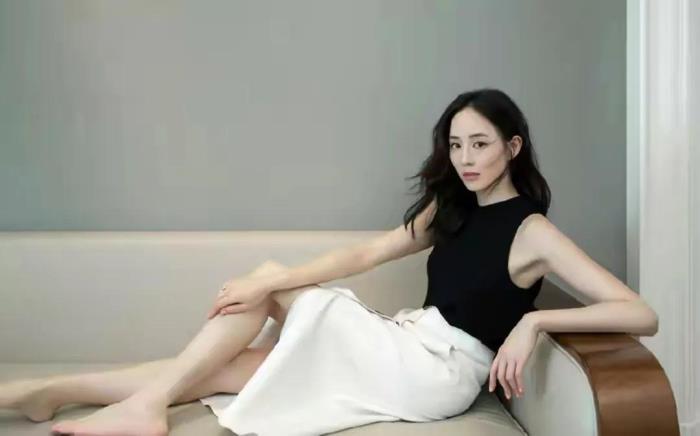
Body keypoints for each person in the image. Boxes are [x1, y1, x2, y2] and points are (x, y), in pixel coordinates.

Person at [0, 88, 659, 436]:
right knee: (231, 366)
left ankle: (136, 405)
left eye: (480, 144)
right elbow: (368, 252)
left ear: (513, 147)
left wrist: (534, 323)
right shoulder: (451, 208)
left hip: (441, 374)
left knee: (270, 296)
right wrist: (274, 278)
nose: (465, 158)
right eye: (456, 144)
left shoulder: (533, 230)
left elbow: (639, 312)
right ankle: (52, 392)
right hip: (407, 342)